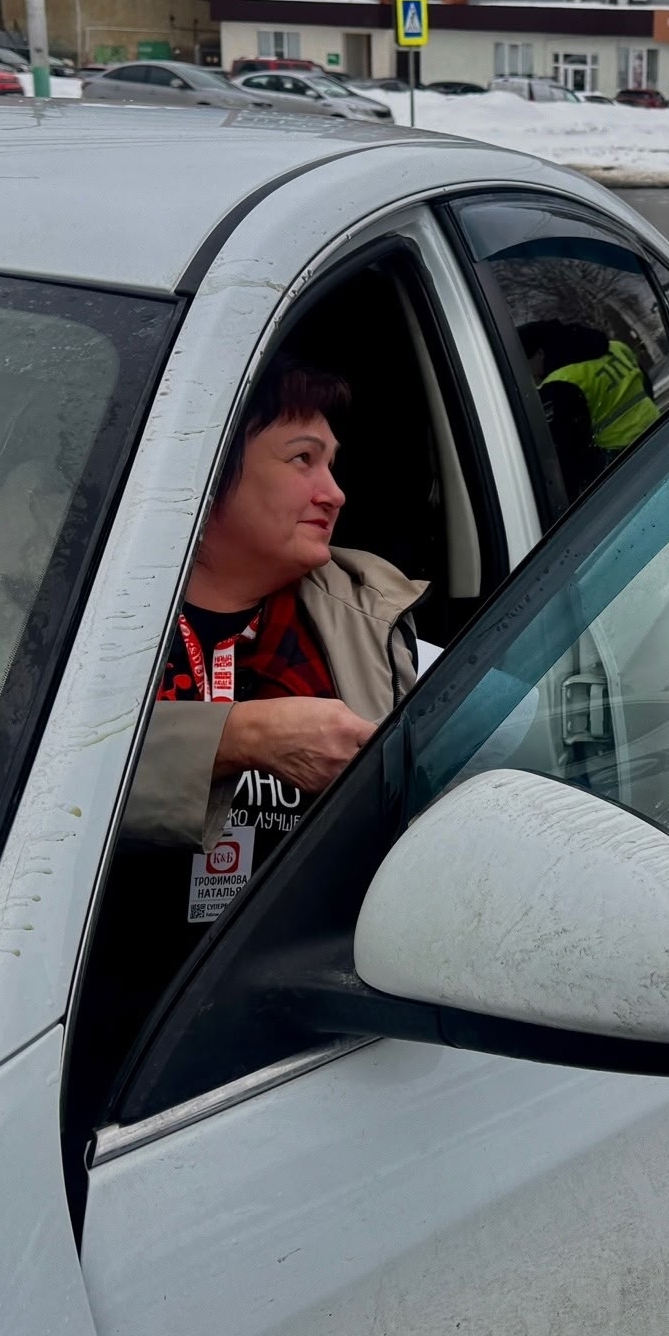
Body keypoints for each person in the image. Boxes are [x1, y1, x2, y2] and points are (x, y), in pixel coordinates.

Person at [120, 359, 426, 927]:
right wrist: (239, 738)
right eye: (303, 459)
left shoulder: (375, 620)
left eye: (332, 465)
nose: (334, 494)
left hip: (293, 971)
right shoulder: (81, 614)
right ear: (207, 465)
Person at [518, 317, 659, 497]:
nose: (528, 372)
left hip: (623, 463)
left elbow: (571, 451)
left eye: (526, 363)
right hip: (662, 430)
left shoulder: (561, 383)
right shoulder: (616, 348)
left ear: (539, 353)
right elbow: (645, 386)